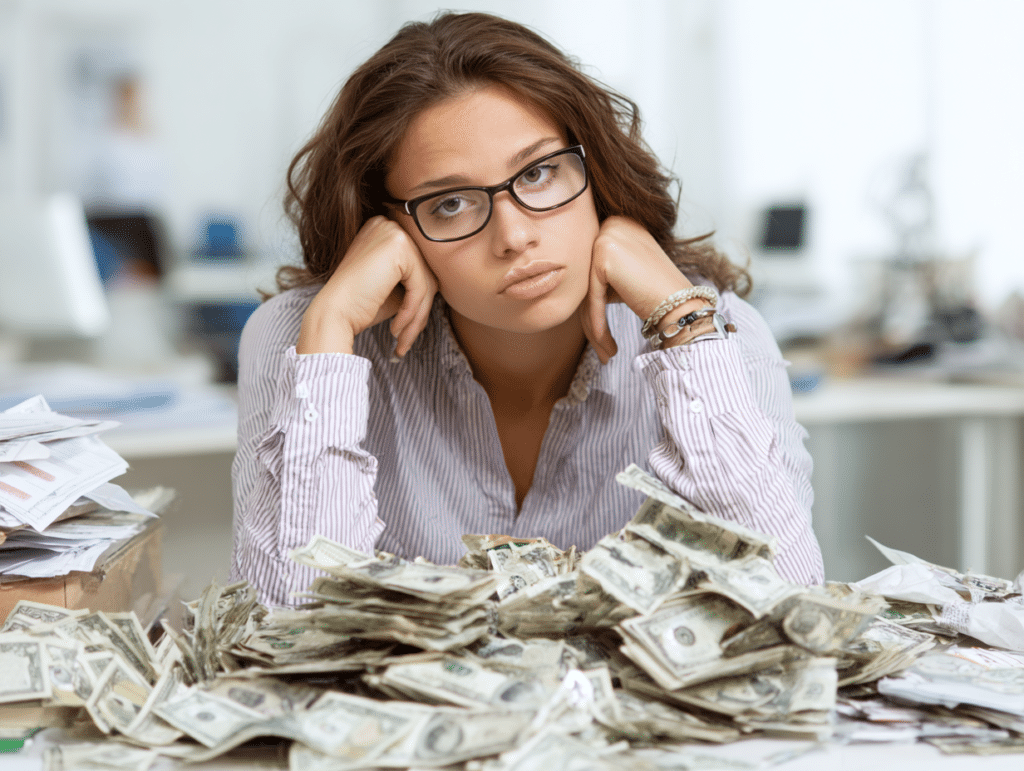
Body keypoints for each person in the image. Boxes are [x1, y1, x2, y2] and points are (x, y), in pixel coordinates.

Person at [230, 11, 825, 607]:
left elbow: (791, 606)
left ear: (595, 170)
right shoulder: (304, 335)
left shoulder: (717, 331)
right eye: (450, 203)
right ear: (386, 226)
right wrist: (330, 329)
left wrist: (683, 324)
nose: (514, 237)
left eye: (539, 173)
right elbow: (283, 626)